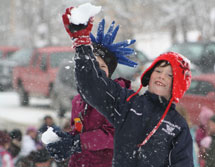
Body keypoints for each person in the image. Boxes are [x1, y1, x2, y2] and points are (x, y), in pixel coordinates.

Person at [46, 5, 194, 167]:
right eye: (158, 70)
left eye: (170, 75)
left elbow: (183, 162)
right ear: (149, 75)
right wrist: (82, 45)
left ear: (177, 85)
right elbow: (90, 84)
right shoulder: (128, 103)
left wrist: (78, 142)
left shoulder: (178, 126)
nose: (161, 76)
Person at [46, 18, 135, 167]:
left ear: (110, 72)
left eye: (101, 66)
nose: (96, 72)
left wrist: (78, 142)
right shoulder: (78, 100)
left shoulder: (120, 97)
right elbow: (79, 131)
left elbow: (116, 135)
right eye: (92, 65)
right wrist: (67, 140)